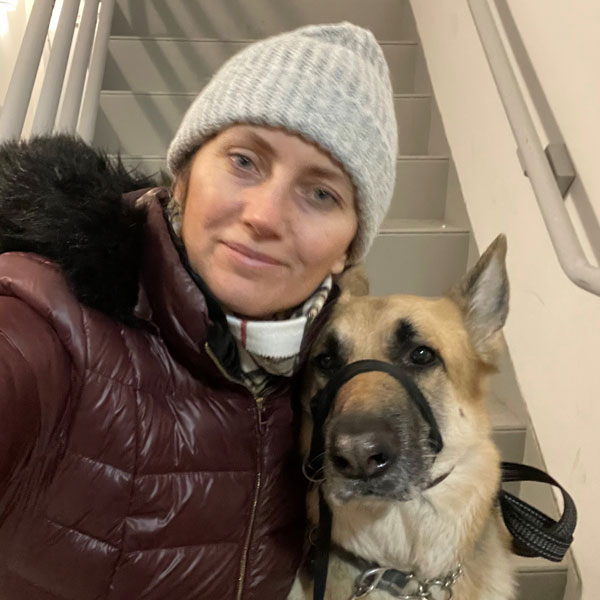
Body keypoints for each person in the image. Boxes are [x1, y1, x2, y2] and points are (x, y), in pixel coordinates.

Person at [0, 22, 397, 599]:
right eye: (244, 161)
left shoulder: (320, 378)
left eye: (321, 194)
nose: (264, 215)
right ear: (183, 177)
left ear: (346, 251)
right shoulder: (43, 324)